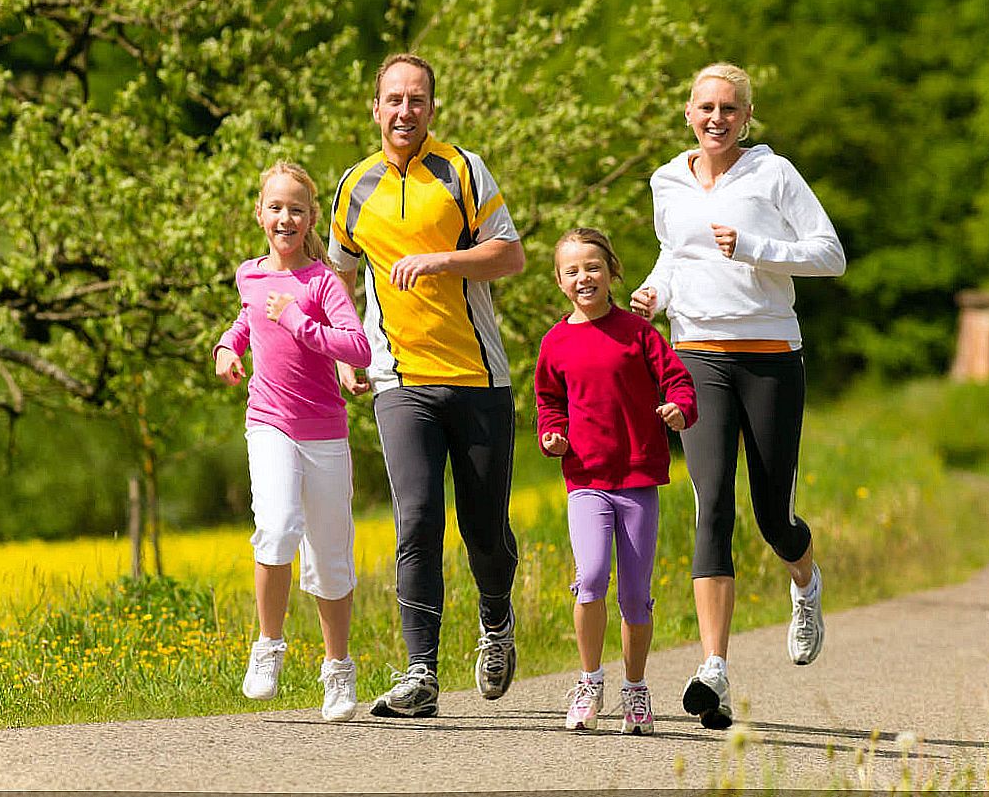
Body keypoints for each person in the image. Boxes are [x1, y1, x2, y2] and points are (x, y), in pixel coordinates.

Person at [630, 62, 846, 730]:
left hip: (771, 357)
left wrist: (754, 246)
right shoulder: (667, 179)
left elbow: (830, 254)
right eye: (706, 107)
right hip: (697, 356)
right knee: (711, 504)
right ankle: (714, 668)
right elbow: (674, 254)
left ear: (747, 117)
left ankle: (804, 581)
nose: (716, 118)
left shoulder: (773, 174)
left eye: (730, 108)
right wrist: (654, 291)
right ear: (688, 114)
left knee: (771, 515)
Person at [328, 52, 526, 718]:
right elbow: (338, 278)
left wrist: (443, 259)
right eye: (394, 99)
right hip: (398, 380)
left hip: (478, 377)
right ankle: (421, 673)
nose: (404, 111)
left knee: (484, 531)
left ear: (431, 109)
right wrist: (344, 351)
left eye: (417, 100)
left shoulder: (462, 170)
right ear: (374, 108)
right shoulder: (354, 187)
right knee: (415, 519)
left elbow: (512, 253)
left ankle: (496, 619)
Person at [213, 161, 372, 722]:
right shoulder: (249, 274)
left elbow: (357, 348)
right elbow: (245, 320)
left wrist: (301, 324)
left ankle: (337, 668)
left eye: (296, 210)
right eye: (275, 208)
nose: (285, 218)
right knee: (277, 527)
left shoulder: (323, 281)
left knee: (331, 558)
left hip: (324, 431)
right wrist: (227, 349)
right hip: (269, 421)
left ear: (311, 220)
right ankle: (268, 646)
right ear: (260, 214)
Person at [535, 228, 697, 735]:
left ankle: (635, 689)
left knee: (634, 594)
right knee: (589, 578)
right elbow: (548, 402)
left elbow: (678, 380)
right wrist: (552, 435)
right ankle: (588, 682)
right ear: (560, 281)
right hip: (585, 477)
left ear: (610, 271)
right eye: (572, 270)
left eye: (593, 267)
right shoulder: (556, 341)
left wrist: (679, 410)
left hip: (637, 477)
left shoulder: (640, 333)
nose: (584, 277)